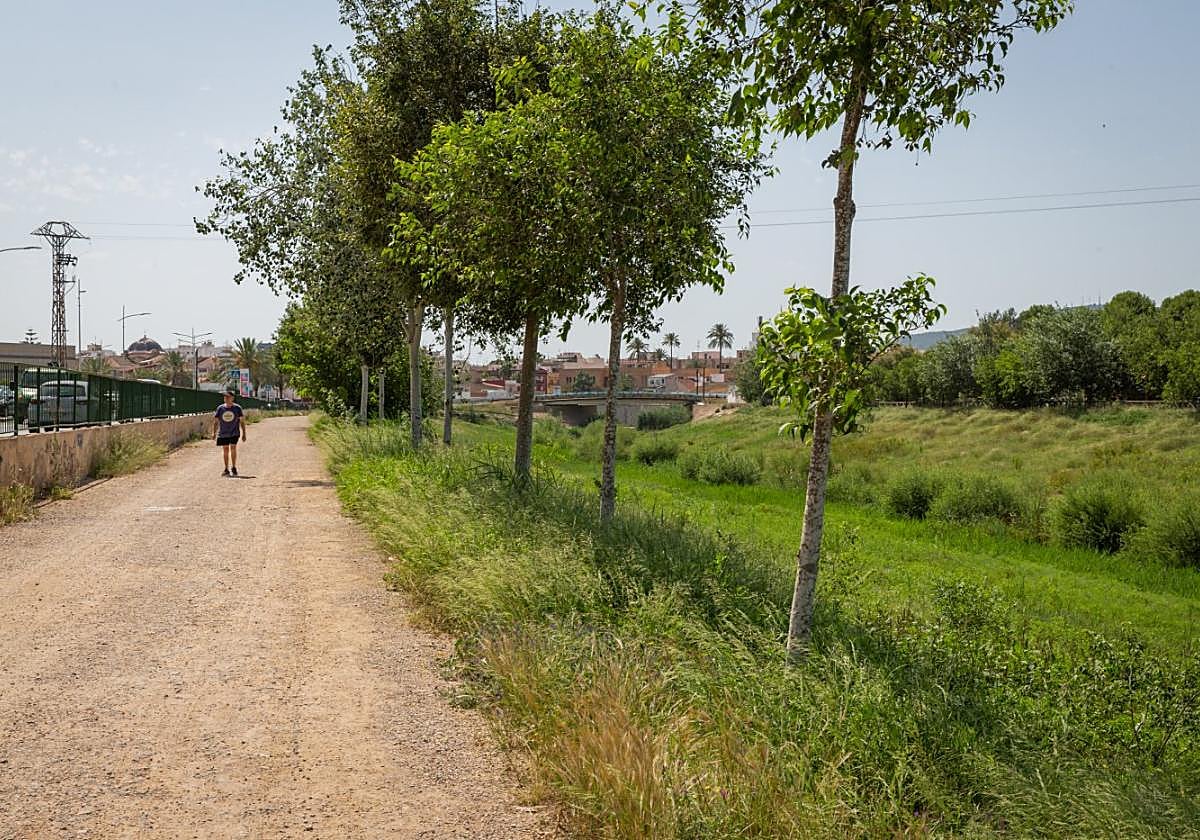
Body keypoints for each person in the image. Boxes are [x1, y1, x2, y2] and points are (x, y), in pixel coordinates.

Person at [213, 389, 246, 476]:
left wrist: (244, 434)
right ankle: (226, 468)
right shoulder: (220, 408)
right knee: (225, 450)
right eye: (225, 397)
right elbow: (216, 421)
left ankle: (234, 467)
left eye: (228, 397)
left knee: (233, 448)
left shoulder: (237, 408)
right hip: (223, 433)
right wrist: (214, 433)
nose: (226, 398)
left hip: (234, 432)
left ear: (232, 398)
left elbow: (242, 421)